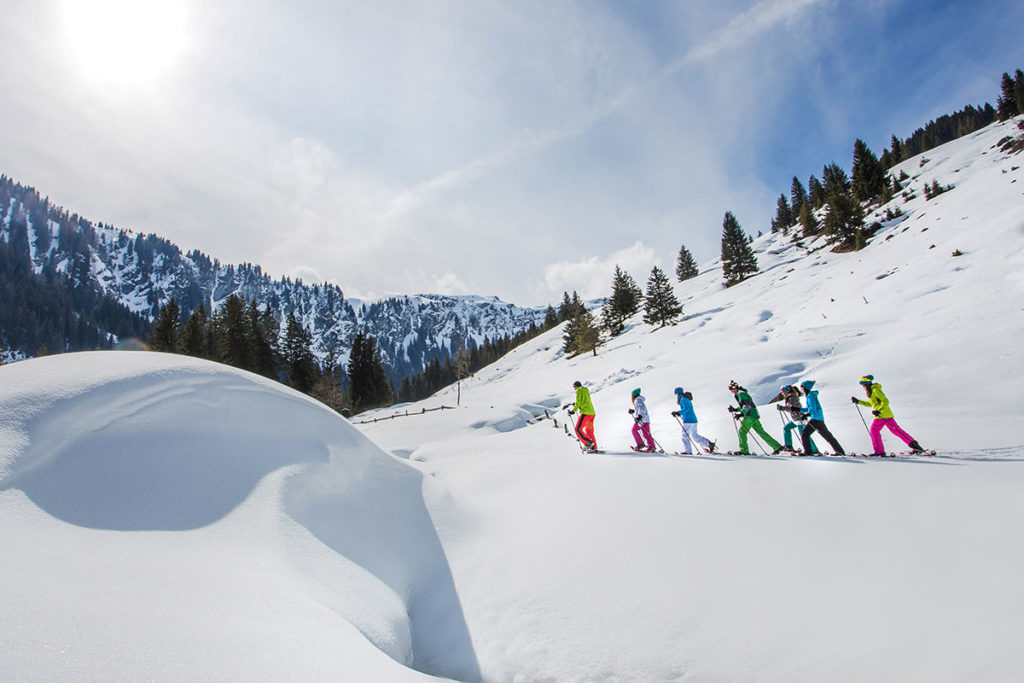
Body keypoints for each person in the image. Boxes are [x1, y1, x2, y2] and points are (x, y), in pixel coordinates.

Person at [851, 375, 925, 454]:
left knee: (874, 431)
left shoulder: (875, 390)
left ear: (866, 384)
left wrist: (879, 410)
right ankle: (915, 446)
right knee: (896, 430)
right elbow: (870, 404)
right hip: (886, 414)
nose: (862, 386)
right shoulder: (871, 391)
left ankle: (879, 452)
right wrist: (858, 401)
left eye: (863, 384)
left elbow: (885, 401)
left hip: (881, 415)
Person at [727, 380, 783, 454]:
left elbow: (747, 405)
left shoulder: (741, 394)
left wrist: (741, 414)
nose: (732, 391)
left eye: (732, 389)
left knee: (742, 432)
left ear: (736, 388)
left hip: (749, 416)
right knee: (761, 432)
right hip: (754, 415)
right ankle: (777, 446)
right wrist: (735, 409)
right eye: (730, 389)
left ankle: (744, 450)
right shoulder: (741, 393)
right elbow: (744, 405)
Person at [798, 380, 845, 455]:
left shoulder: (810, 397)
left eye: (802, 387)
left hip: (815, 419)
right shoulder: (811, 396)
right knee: (827, 436)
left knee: (805, 433)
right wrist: (798, 409)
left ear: (805, 388)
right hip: (819, 419)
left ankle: (808, 452)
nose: (801, 389)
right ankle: (840, 451)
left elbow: (812, 409)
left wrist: (806, 415)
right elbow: (809, 408)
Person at [771, 384, 817, 453]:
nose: (782, 393)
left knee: (804, 435)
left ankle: (814, 450)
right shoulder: (790, 397)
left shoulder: (792, 397)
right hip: (796, 419)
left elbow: (791, 408)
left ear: (787, 391)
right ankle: (789, 445)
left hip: (799, 419)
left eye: (783, 391)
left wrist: (782, 408)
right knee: (786, 428)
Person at [671, 387, 716, 454]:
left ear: (677, 394)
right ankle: (709, 444)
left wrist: (678, 412)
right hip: (693, 420)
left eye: (676, 395)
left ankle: (688, 451)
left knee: (684, 436)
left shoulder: (683, 399)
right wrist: (680, 414)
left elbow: (686, 409)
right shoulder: (686, 399)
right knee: (694, 435)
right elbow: (688, 409)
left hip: (688, 420)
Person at [565, 380, 598, 451]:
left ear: (576, 386)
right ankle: (594, 447)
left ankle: (588, 443)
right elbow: (584, 401)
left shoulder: (579, 390)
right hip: (592, 413)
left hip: (585, 413)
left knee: (578, 429)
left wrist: (573, 411)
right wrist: (577, 405)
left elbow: (579, 401)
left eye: (574, 388)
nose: (574, 389)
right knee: (589, 431)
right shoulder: (586, 390)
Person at [628, 388, 657, 452]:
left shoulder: (637, 400)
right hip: (646, 419)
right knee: (647, 434)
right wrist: (633, 411)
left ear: (634, 395)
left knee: (634, 430)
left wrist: (639, 416)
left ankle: (640, 444)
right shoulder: (639, 400)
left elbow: (641, 408)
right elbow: (640, 408)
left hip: (641, 420)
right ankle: (652, 447)